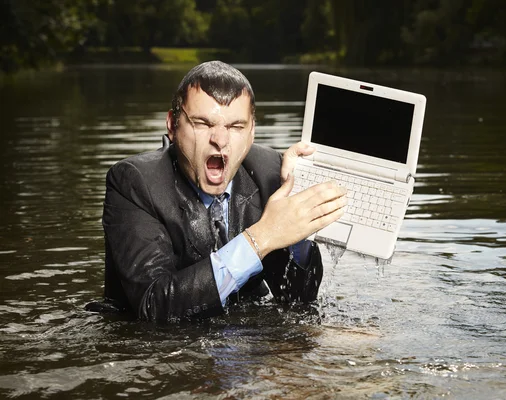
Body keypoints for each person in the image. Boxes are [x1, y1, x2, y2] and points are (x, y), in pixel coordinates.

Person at [85, 61, 347, 322]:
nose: (220, 140)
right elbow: (153, 305)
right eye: (202, 123)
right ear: (172, 125)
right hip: (159, 350)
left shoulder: (270, 172)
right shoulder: (133, 182)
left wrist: (298, 223)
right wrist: (263, 237)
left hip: (247, 343)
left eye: (235, 127)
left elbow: (299, 301)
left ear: (252, 131)